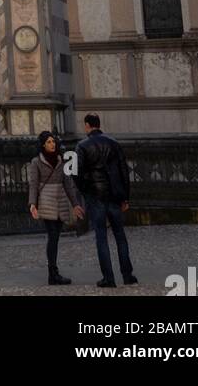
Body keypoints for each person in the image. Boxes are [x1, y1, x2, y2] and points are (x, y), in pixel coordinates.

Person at [75, 113, 138, 289]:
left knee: (101, 237)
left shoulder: (82, 146)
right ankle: (127, 274)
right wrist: (125, 196)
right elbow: (124, 171)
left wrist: (85, 191)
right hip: (113, 195)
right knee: (120, 235)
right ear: (99, 124)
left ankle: (108, 277)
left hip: (96, 196)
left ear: (87, 125)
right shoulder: (113, 143)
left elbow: (76, 173)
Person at [28, 130, 84, 286]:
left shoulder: (61, 160)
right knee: (52, 236)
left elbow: (68, 183)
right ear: (43, 145)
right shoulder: (36, 161)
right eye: (48, 142)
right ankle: (53, 273)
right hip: (46, 201)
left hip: (60, 201)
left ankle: (53, 273)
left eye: (53, 141)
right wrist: (32, 203)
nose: (52, 144)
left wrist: (75, 204)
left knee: (56, 237)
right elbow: (33, 184)